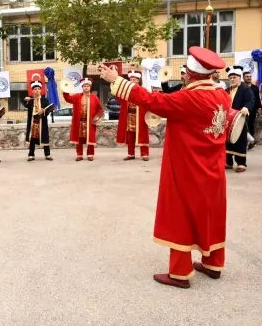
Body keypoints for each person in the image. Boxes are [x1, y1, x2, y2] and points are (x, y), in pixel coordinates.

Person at [99, 46, 230, 289]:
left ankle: (180, 272)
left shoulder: (189, 98)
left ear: (190, 74)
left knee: (179, 215)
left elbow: (153, 101)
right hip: (214, 167)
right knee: (211, 213)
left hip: (188, 168)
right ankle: (213, 263)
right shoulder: (222, 95)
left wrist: (117, 80)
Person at [63, 78, 103, 161]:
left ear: (90, 87)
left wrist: (97, 118)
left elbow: (100, 109)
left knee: (90, 139)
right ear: (82, 87)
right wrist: (65, 90)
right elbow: (68, 99)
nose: (86, 87)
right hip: (79, 122)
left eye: (87, 86)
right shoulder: (77, 96)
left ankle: (90, 154)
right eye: (84, 86)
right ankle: (79, 155)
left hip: (90, 123)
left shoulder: (94, 97)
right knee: (79, 139)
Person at [225, 66, 254, 173]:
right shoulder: (226, 90)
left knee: (240, 141)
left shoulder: (245, 88)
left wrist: (246, 107)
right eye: (230, 78)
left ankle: (241, 163)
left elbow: (251, 100)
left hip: (239, 119)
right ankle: (228, 162)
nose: (232, 79)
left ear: (239, 78)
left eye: (234, 77)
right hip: (228, 120)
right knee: (227, 141)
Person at [116, 71, 150, 161]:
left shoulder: (143, 90)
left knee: (143, 135)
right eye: (130, 80)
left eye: (134, 79)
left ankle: (145, 154)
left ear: (138, 80)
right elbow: (118, 97)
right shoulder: (126, 91)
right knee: (130, 135)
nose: (131, 81)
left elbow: (148, 101)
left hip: (140, 116)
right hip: (129, 116)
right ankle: (131, 154)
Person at [23, 81, 53, 161]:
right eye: (35, 89)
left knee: (45, 138)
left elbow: (49, 110)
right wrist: (25, 100)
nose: (37, 90)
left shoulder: (44, 100)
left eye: (38, 89)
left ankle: (47, 154)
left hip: (42, 123)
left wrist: (43, 110)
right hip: (33, 123)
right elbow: (25, 105)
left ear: (40, 90)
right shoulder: (31, 100)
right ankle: (31, 155)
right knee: (32, 139)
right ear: (32, 90)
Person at [243, 71, 261, 150]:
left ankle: (251, 141)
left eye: (250, 76)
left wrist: (259, 108)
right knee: (244, 126)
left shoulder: (255, 88)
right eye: (247, 76)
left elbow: (257, 99)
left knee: (251, 125)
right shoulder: (241, 87)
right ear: (243, 78)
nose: (249, 78)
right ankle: (246, 141)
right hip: (244, 110)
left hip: (253, 110)